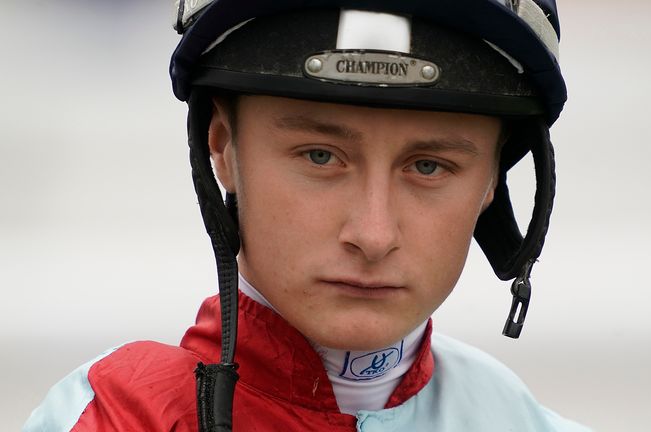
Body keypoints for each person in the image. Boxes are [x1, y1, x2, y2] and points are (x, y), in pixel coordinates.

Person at [24, 1, 589, 430]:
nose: (372, 235)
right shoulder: (112, 417)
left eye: (429, 166)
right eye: (321, 156)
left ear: (493, 179)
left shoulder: (518, 419)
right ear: (222, 147)